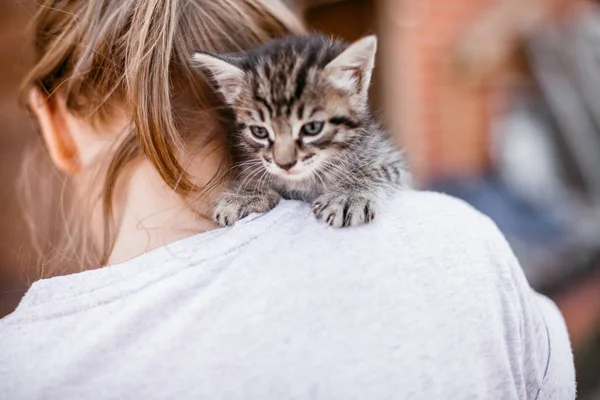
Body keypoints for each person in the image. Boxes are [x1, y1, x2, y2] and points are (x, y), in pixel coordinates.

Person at [0, 1, 575, 399]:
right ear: (236, 107)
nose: (284, 159)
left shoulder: (21, 368)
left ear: (53, 124)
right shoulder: (460, 242)